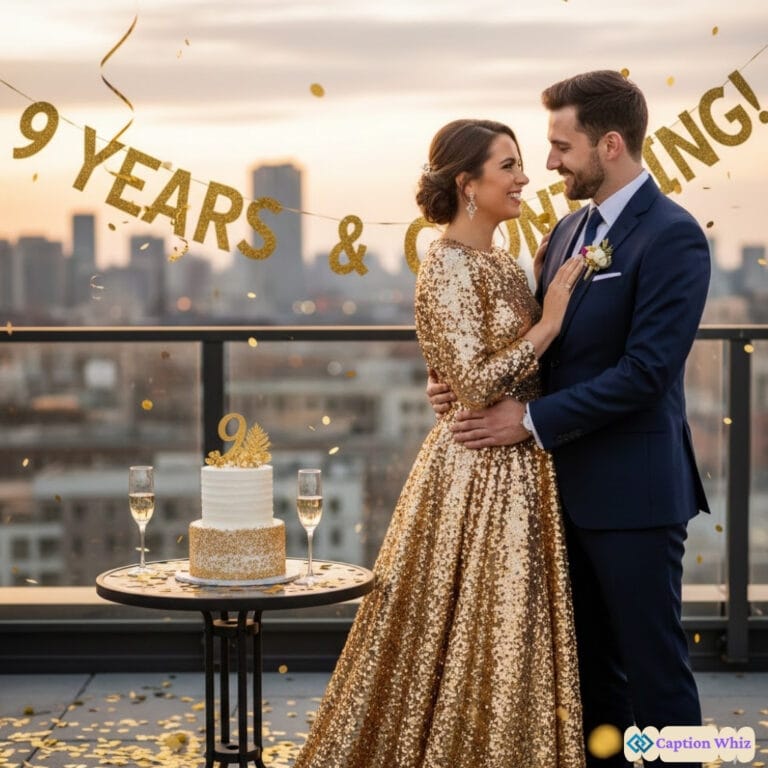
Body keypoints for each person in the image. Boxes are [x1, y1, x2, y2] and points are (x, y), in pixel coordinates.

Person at [428, 72, 711, 768]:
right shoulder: (564, 231)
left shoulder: (673, 236)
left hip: (634, 497)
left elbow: (646, 374)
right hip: (556, 500)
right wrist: (461, 389)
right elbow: (534, 349)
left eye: (560, 145)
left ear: (609, 145)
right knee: (588, 685)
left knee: (657, 679)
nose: (548, 163)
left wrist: (528, 419)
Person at [294, 119, 586, 768]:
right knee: (482, 633)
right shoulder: (446, 264)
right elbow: (478, 386)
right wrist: (552, 322)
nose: (524, 177)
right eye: (508, 166)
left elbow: (476, 369)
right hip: (478, 470)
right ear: (467, 184)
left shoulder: (503, 260)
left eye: (521, 164)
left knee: (508, 637)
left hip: (520, 465)